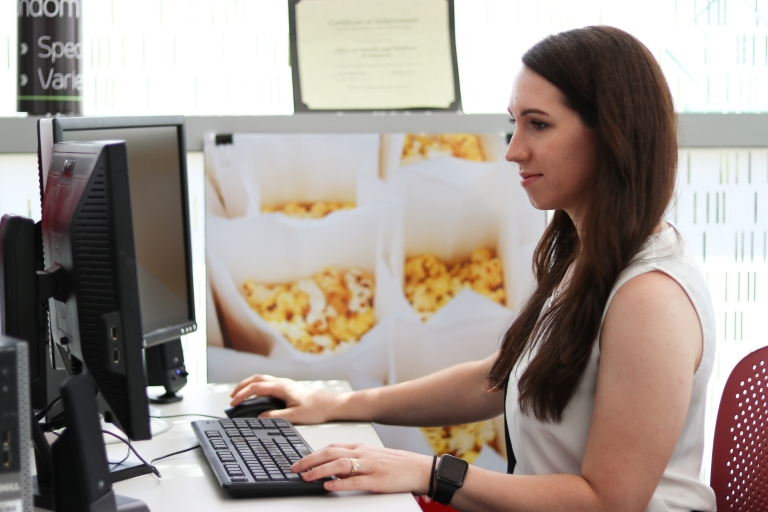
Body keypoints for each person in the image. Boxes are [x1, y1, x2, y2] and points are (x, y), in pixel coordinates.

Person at [230, 26, 716, 512]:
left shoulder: (650, 298)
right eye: (515, 123)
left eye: (538, 125)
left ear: (611, 134)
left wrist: (429, 472)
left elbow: (608, 502)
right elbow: (504, 378)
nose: (512, 150)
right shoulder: (587, 256)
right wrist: (335, 404)